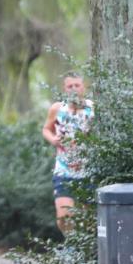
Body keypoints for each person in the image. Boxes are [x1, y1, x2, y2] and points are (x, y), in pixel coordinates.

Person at [41, 72, 93, 236]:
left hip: (88, 170)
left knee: (89, 219)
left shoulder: (92, 109)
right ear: (65, 89)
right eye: (70, 86)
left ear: (83, 87)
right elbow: (46, 129)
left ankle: (85, 247)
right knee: (64, 217)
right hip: (64, 169)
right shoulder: (57, 109)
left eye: (77, 85)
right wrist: (54, 140)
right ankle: (71, 242)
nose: (74, 89)